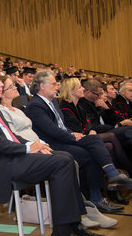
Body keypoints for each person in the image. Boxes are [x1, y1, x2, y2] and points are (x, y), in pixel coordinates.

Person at [0, 66, 102, 236]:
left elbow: (9, 135)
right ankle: (62, 234)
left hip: (7, 157)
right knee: (62, 162)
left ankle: (74, 226)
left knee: (66, 157)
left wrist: (34, 144)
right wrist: (26, 148)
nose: (1, 84)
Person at [25, 70, 132, 213]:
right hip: (52, 144)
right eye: (54, 84)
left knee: (94, 141)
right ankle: (99, 194)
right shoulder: (36, 105)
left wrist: (72, 133)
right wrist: (73, 137)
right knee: (91, 151)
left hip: (63, 138)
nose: (57, 87)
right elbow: (51, 131)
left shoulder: (53, 102)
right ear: (42, 86)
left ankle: (108, 182)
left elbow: (61, 127)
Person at [59, 78, 132, 176]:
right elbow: (78, 128)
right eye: (80, 87)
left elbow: (90, 124)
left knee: (125, 141)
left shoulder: (78, 105)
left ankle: (119, 177)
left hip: (91, 134)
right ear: (72, 91)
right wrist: (91, 130)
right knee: (115, 135)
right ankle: (125, 174)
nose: (83, 89)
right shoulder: (67, 107)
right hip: (79, 138)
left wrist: (103, 110)